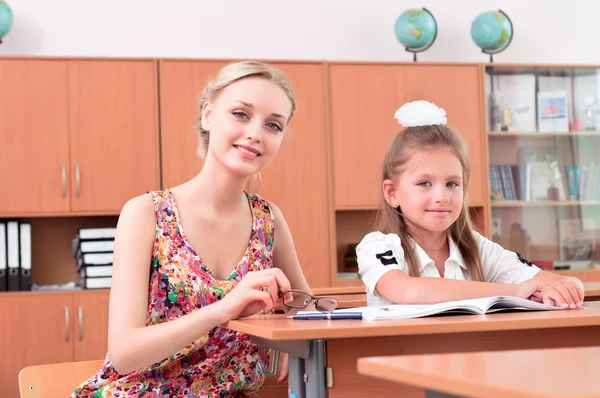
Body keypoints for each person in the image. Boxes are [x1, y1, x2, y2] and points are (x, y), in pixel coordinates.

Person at [73, 61, 313, 397]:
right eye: (241, 114)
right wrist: (223, 309)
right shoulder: (146, 213)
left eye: (273, 125)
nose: (255, 133)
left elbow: (307, 307)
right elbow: (124, 353)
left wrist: (299, 336)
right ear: (208, 115)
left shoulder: (268, 219)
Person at [357, 100, 585, 308]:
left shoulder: (477, 248)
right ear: (392, 192)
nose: (442, 196)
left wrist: (568, 286)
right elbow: (408, 291)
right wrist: (513, 292)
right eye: (424, 183)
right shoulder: (378, 247)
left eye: (452, 184)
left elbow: (551, 280)